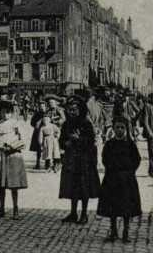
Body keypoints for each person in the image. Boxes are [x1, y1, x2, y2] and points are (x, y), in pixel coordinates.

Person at [97, 116, 141, 244]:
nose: (120, 130)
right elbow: (105, 158)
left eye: (122, 128)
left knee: (126, 206)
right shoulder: (109, 144)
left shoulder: (130, 144)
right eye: (117, 127)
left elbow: (136, 159)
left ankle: (126, 232)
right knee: (112, 206)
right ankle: (114, 231)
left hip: (127, 180)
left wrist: (129, 171)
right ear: (113, 129)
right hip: (112, 179)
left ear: (126, 129)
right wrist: (111, 169)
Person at [59, 96, 100, 224]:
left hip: (84, 160)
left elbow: (91, 142)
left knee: (84, 187)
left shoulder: (86, 124)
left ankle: (84, 213)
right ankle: (73, 213)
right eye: (70, 110)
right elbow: (60, 141)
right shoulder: (66, 124)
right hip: (71, 159)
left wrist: (78, 139)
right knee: (72, 186)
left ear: (80, 110)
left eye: (74, 110)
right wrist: (66, 144)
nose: (71, 112)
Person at [0, 101, 28, 220]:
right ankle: (1, 208)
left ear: (11, 113)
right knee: (2, 183)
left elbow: (23, 139)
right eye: (3, 111)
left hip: (13, 155)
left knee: (13, 183)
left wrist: (13, 146)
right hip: (2, 154)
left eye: (8, 112)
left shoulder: (15, 124)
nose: (5, 114)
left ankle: (15, 208)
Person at [29, 99, 48, 170]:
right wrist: (36, 125)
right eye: (41, 106)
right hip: (38, 132)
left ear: (46, 107)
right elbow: (32, 123)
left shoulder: (48, 114)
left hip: (46, 132)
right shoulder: (37, 114)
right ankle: (37, 163)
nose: (42, 107)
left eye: (43, 106)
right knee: (38, 149)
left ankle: (47, 164)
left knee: (47, 147)